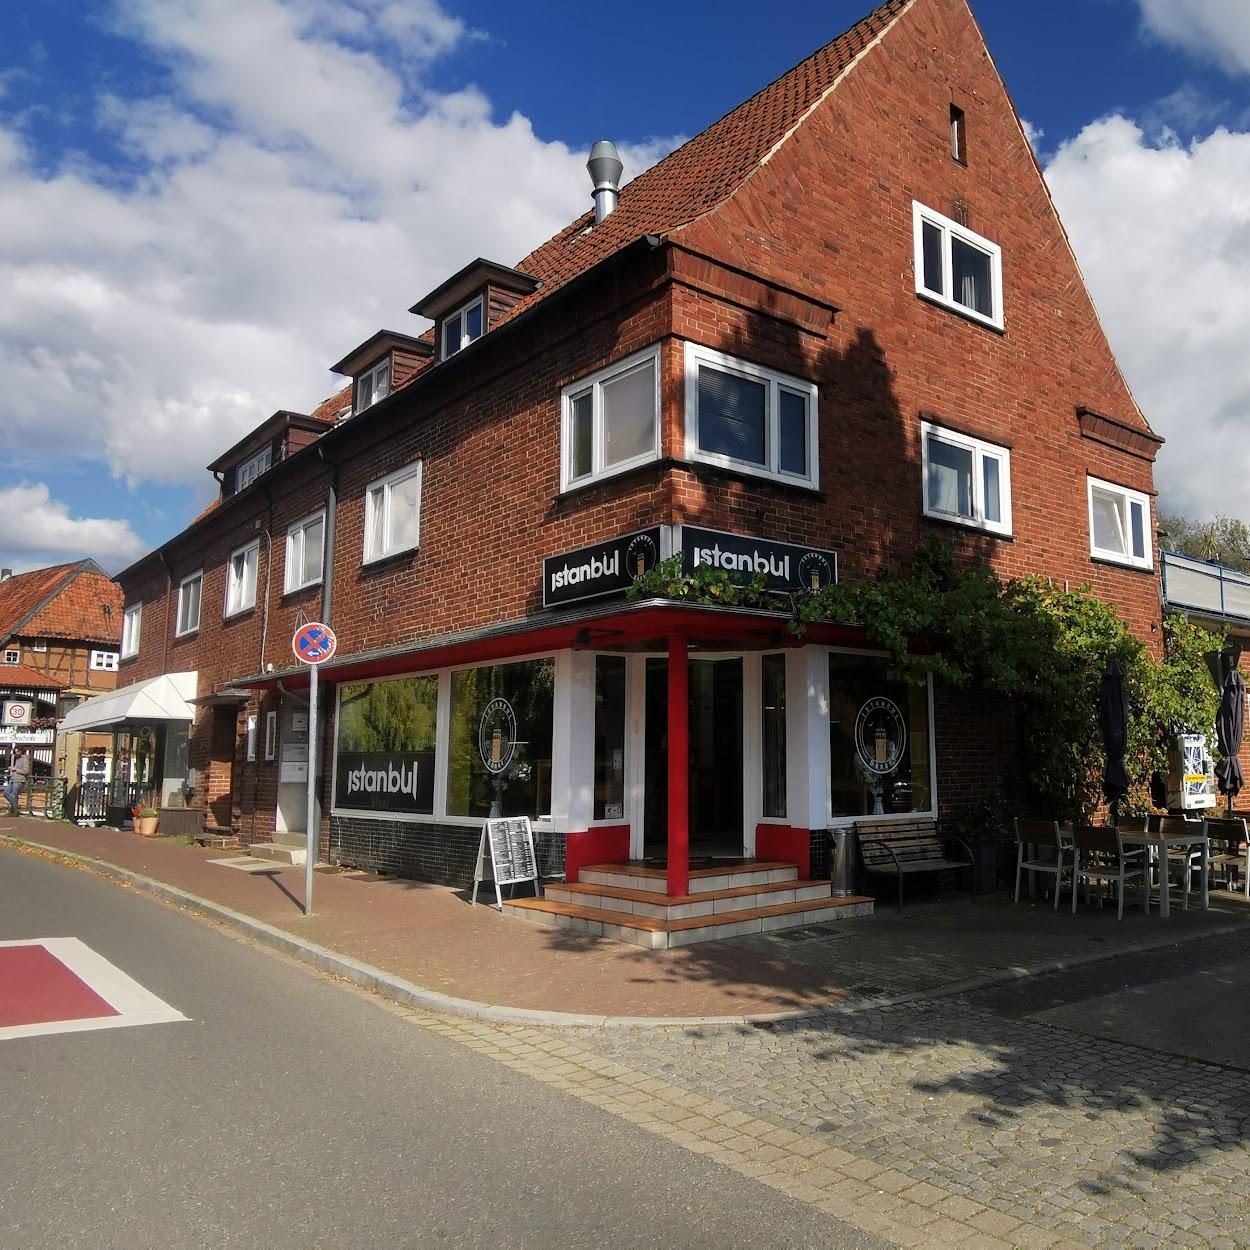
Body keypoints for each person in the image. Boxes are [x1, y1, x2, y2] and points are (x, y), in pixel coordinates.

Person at [5, 747, 31, 815]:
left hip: (19, 779)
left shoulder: (25, 759)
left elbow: (26, 771)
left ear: (21, 751)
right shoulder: (17, 759)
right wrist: (12, 769)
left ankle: (14, 810)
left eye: (17, 751)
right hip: (13, 779)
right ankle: (15, 807)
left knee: (14, 795)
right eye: (15, 752)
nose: (16, 753)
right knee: (6, 793)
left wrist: (15, 769)